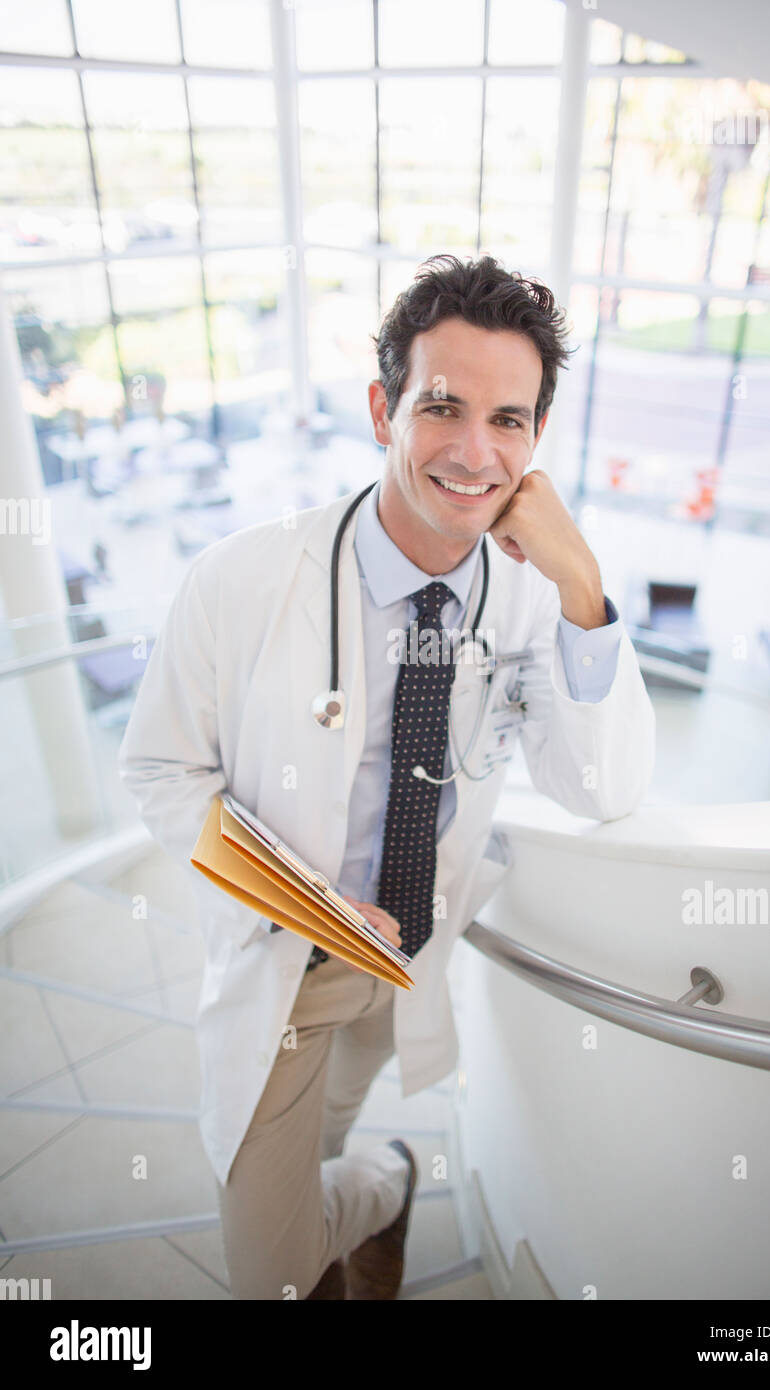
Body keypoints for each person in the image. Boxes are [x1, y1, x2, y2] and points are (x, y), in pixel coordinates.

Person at [117, 254, 655, 1301]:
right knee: (270, 1269)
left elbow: (602, 786)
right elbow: (160, 766)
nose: (473, 449)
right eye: (442, 406)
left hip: (403, 960)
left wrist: (583, 582)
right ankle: (391, 1183)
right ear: (382, 408)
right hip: (286, 963)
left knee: (321, 1145)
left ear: (538, 439)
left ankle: (366, 1180)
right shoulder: (241, 578)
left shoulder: (535, 598)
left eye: (510, 419)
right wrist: (310, 903)